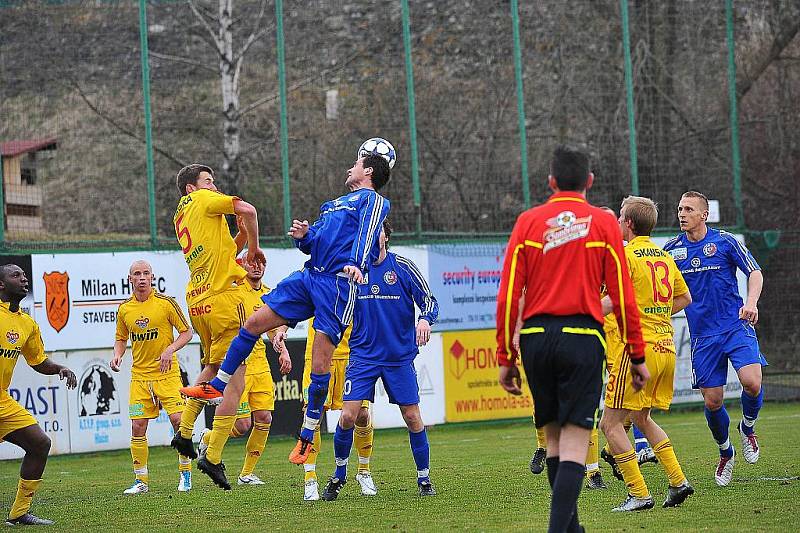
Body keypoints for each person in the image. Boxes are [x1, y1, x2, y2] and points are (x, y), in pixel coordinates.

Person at [181, 154, 391, 467]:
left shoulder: (373, 201)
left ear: (369, 171)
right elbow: (315, 244)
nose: (350, 167)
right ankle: (218, 385)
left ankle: (306, 438)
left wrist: (357, 264)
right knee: (252, 324)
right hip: (310, 276)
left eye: (357, 164)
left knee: (320, 366)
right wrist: (305, 237)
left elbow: (369, 232)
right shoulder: (333, 205)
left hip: (338, 284)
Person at [495, 145, 647, 533]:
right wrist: (637, 353)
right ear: (590, 182)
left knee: (554, 440)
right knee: (577, 440)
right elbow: (623, 293)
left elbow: (509, 293)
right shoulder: (603, 223)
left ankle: (572, 528)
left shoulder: (528, 222)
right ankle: (558, 529)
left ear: (550, 182)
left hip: (535, 339)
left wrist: (504, 355)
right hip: (581, 336)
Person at [321, 222, 439, 500]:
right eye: (368, 233)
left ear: (387, 235)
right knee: (348, 415)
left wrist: (424, 319)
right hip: (363, 356)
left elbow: (429, 301)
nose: (375, 237)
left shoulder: (403, 267)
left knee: (412, 417)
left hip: (398, 357)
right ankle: (338, 475)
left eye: (379, 232)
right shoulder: (352, 273)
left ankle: (424, 479)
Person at [169, 164, 265, 488]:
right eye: (208, 181)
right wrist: (253, 246)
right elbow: (249, 209)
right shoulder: (205, 201)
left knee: (211, 369)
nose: (214, 186)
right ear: (191, 188)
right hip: (224, 301)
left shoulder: (182, 215)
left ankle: (183, 434)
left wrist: (240, 237)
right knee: (234, 386)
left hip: (198, 299)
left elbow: (222, 253)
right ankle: (212, 457)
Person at [663, 191, 767, 486]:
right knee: (713, 401)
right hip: (703, 338)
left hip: (736, 325)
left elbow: (755, 272)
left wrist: (752, 302)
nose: (682, 213)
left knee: (752, 381)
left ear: (703, 215)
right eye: (680, 208)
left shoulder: (725, 241)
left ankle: (747, 429)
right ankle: (726, 452)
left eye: (688, 209)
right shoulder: (671, 251)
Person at [599, 196, 694, 511]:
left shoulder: (625, 256)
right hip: (666, 346)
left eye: (620, 216)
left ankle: (639, 493)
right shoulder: (664, 256)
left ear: (627, 223)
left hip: (637, 349)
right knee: (641, 417)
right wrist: (655, 316)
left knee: (609, 425)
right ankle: (678, 482)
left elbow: (612, 299)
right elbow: (685, 297)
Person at [197, 257, 292, 486]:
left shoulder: (269, 295)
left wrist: (283, 351)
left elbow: (272, 330)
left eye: (261, 262)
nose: (257, 266)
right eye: (252, 262)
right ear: (243, 265)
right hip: (239, 365)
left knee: (264, 417)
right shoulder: (235, 291)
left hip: (260, 364)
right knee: (241, 425)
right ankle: (208, 437)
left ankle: (247, 473)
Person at [0, 264, 77, 526]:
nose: (23, 279)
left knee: (39, 444)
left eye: (23, 275)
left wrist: (59, 368)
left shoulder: (26, 323)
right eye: (15, 275)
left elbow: (38, 361)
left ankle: (19, 512)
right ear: (1, 285)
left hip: (2, 401)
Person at [111, 260, 194, 494]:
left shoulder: (167, 304)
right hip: (140, 377)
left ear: (152, 277)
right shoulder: (125, 309)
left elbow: (187, 332)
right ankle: (141, 482)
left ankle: (185, 475)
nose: (142, 278)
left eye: (146, 273)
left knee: (179, 421)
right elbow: (120, 338)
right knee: (138, 426)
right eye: (137, 274)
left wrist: (169, 350)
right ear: (130, 279)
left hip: (167, 375)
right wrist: (117, 355)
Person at [513, 296, 606, 490]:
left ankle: (593, 472)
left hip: (578, 340)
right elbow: (520, 298)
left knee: (585, 410)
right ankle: (544, 448)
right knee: (545, 406)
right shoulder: (534, 272)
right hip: (544, 340)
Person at [285, 319, 374, 501]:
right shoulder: (317, 289)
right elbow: (294, 302)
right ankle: (310, 478)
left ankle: (363, 471)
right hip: (318, 355)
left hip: (352, 356)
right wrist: (282, 329)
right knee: (312, 415)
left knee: (362, 415)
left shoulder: (359, 289)